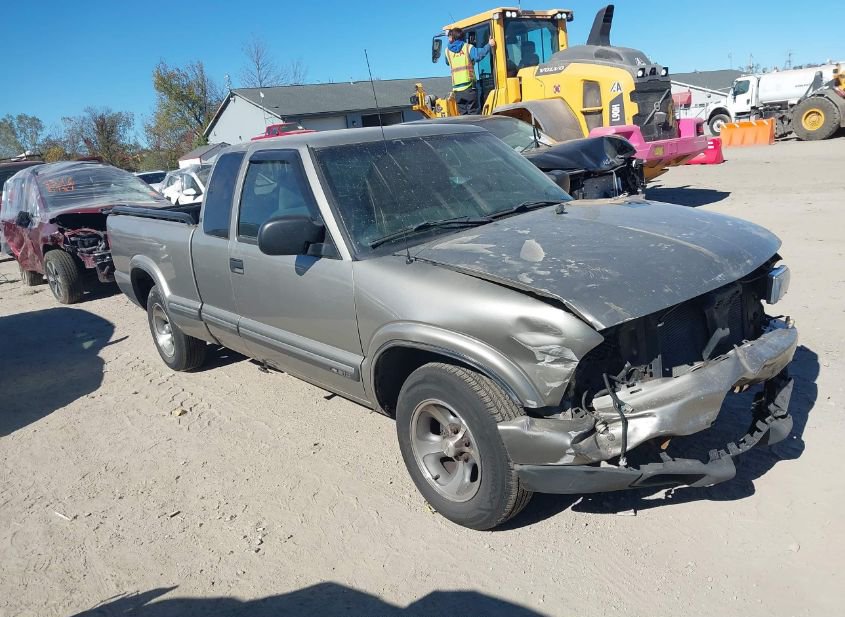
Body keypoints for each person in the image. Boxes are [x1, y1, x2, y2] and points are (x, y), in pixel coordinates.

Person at [444, 28, 496, 115]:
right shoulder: (468, 47)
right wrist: (489, 45)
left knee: (463, 116)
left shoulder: (447, 51)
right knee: (474, 114)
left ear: (452, 37)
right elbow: (479, 55)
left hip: (457, 91)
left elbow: (447, 62)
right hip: (469, 88)